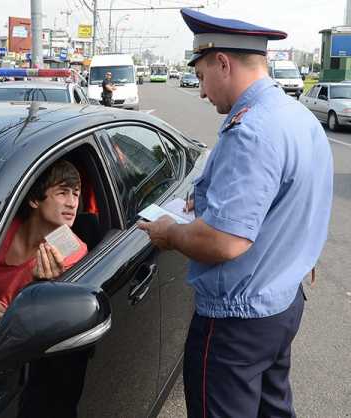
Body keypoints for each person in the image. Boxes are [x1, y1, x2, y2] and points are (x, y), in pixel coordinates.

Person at [137, 9, 333, 418]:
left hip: (236, 322)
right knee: (272, 409)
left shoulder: (251, 129)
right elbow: (292, 199)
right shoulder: (297, 117)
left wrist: (169, 232)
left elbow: (226, 242)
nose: (203, 92)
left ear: (223, 63)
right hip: (281, 302)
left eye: (203, 76)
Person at [0, 159, 88, 321]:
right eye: (62, 193)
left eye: (76, 194)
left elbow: (49, 319)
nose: (72, 203)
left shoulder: (72, 253)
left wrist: (43, 288)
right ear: (34, 200)